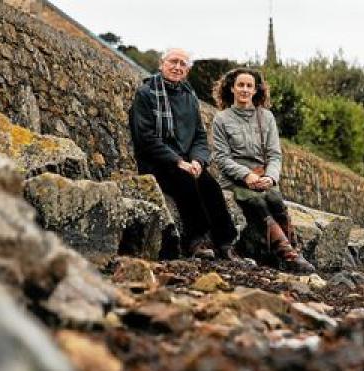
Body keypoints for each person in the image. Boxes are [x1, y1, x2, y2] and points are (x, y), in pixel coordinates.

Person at [129, 48, 237, 259]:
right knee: (185, 181)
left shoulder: (189, 95)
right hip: (157, 161)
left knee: (210, 186)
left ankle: (226, 243)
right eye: (173, 61)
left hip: (187, 161)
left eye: (182, 64)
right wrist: (178, 161)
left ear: (187, 70)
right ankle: (195, 240)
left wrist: (198, 160)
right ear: (162, 64)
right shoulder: (146, 94)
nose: (177, 67)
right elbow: (146, 138)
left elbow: (199, 135)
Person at [211, 68, 314, 272]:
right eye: (240, 85)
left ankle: (294, 248)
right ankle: (288, 255)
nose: (245, 89)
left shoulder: (266, 117)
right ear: (231, 88)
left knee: (275, 200)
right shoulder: (221, 119)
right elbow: (221, 158)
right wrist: (245, 174)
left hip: (262, 175)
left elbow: (275, 154)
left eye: (249, 86)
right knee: (257, 202)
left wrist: (270, 177)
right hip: (235, 179)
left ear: (256, 90)